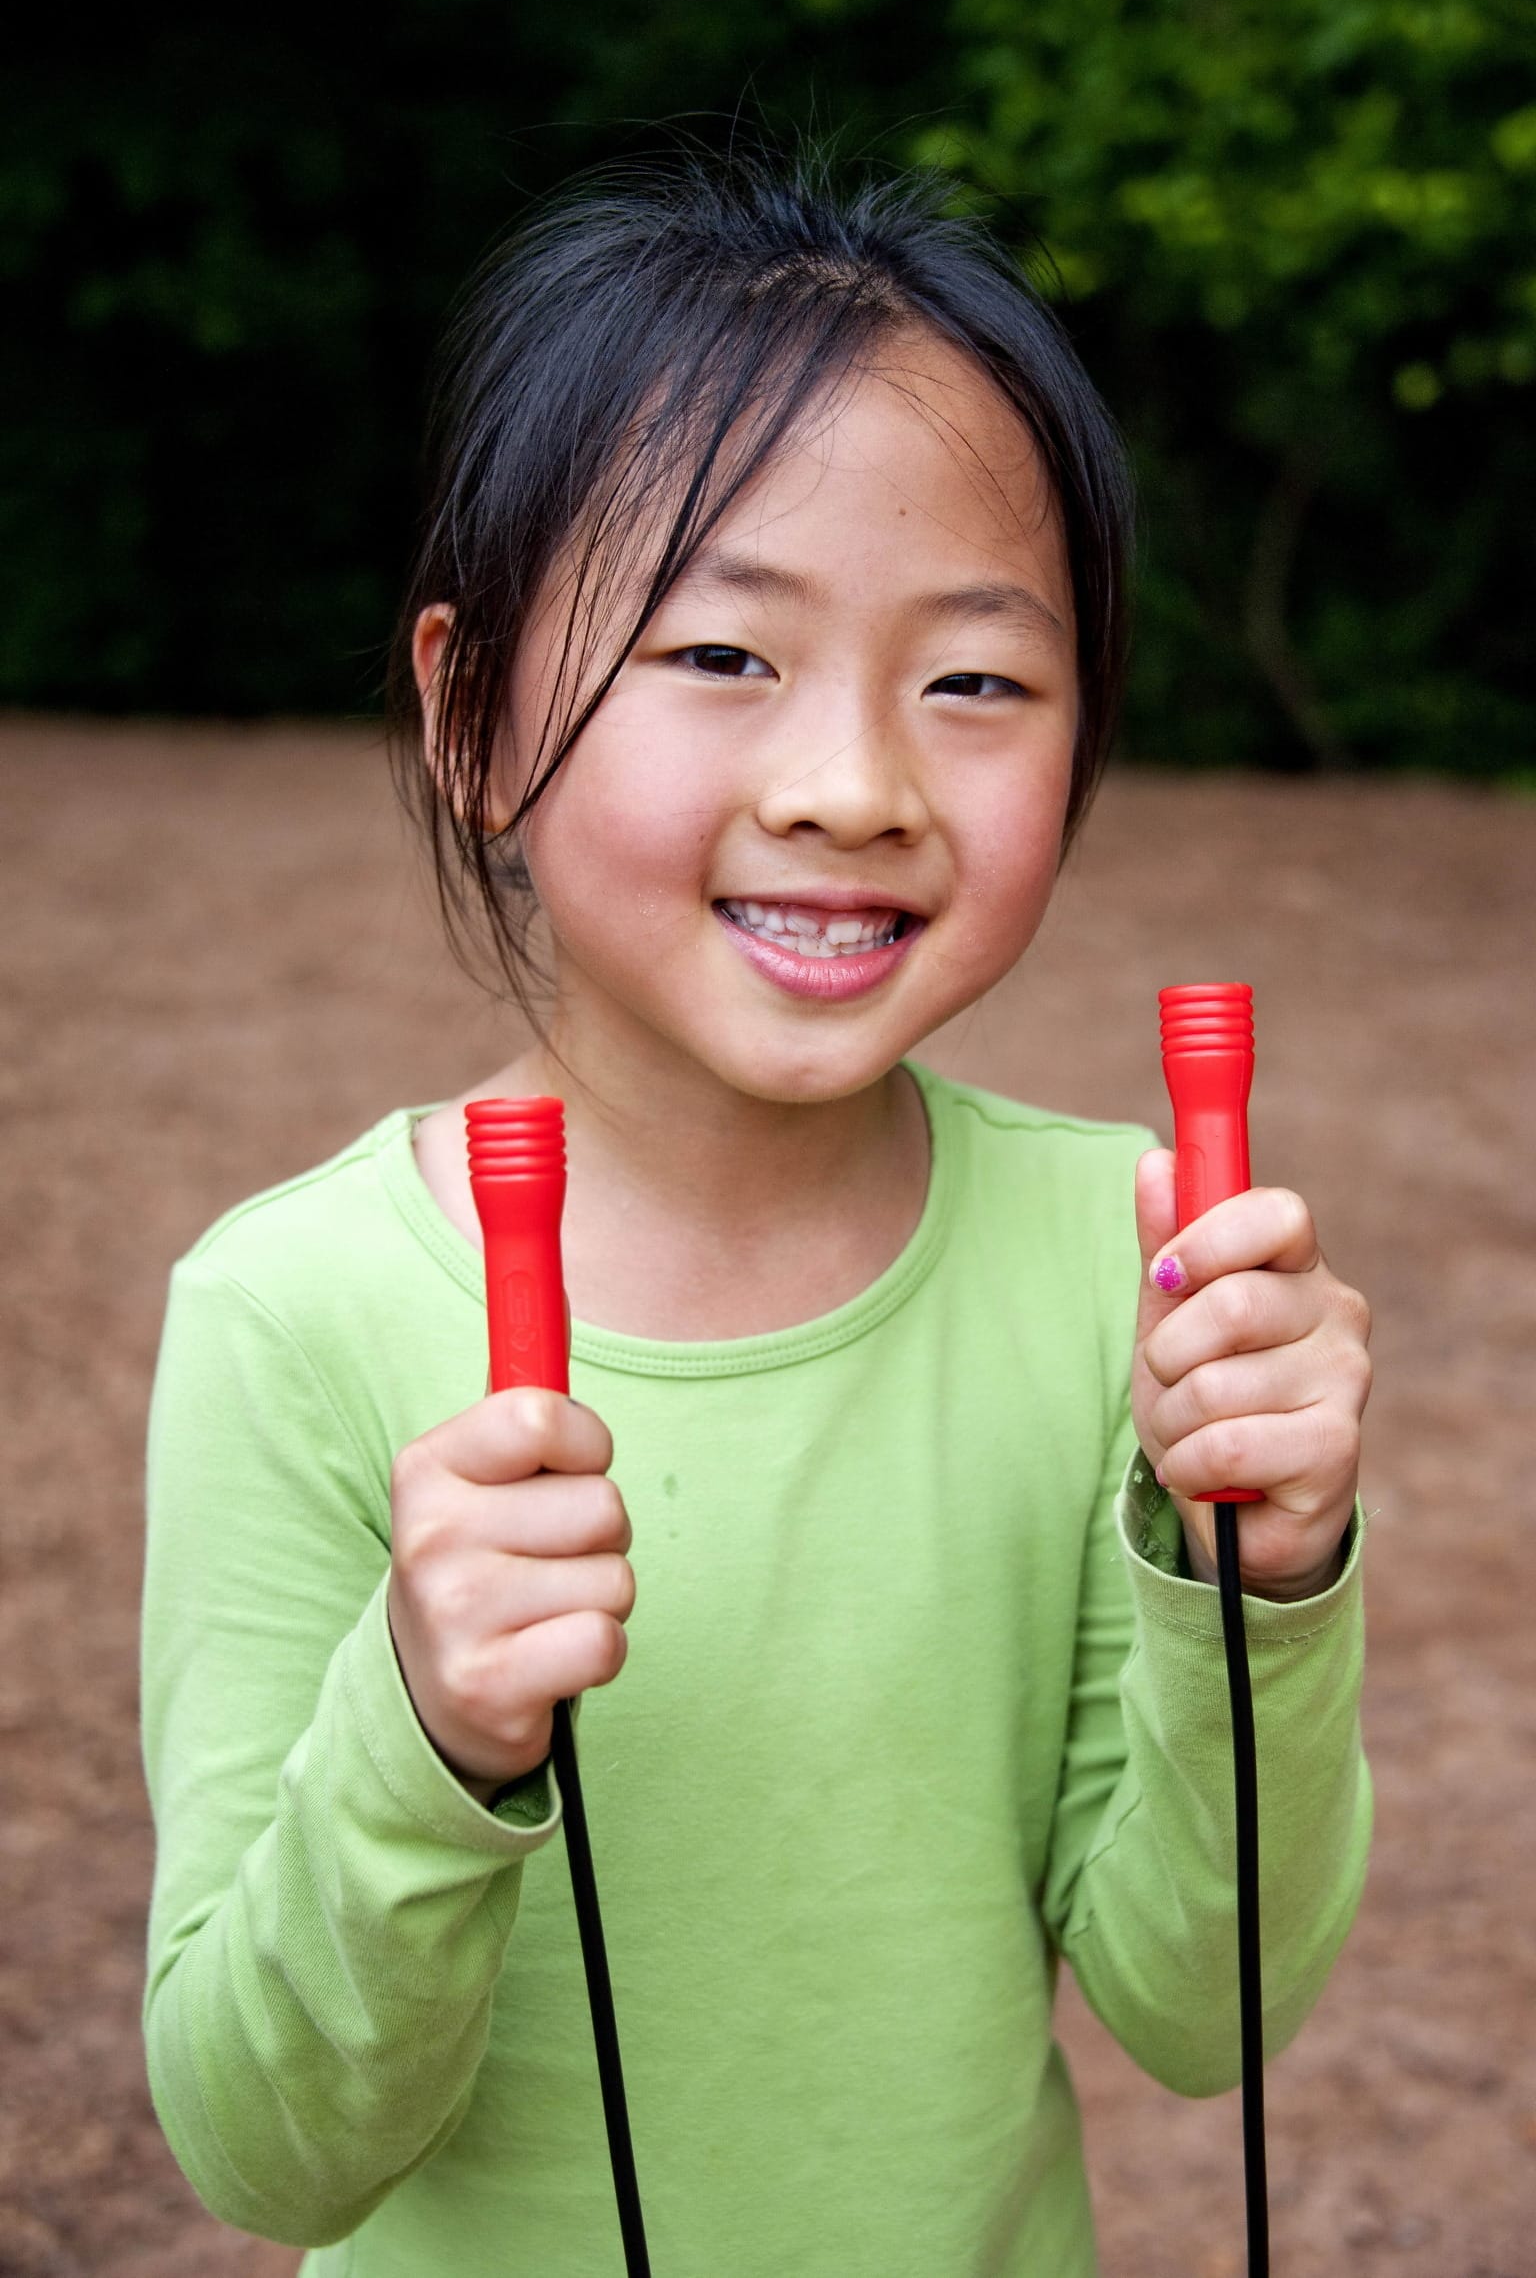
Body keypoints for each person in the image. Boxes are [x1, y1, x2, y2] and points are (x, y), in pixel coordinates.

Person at [140, 155, 1373, 2277]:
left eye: (976, 680)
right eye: (721, 648)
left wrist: (1267, 1571)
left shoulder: (1136, 1268)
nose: (853, 782)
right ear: (465, 713)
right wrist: (424, 1738)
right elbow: (265, 2148)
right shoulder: (296, 1308)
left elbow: (1203, 2011)